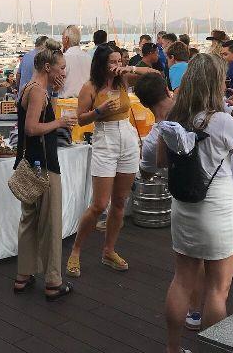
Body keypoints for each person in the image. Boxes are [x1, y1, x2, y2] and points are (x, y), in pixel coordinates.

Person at [158, 54, 233, 353]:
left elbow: (161, 161)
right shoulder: (222, 121)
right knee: (218, 290)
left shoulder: (174, 116)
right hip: (216, 210)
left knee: (182, 280)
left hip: (184, 208)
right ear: (216, 83)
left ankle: (173, 351)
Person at [66, 44, 160, 278]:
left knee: (120, 201)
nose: (117, 65)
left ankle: (109, 250)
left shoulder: (123, 80)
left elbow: (155, 75)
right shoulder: (90, 87)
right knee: (99, 204)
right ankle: (75, 250)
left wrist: (128, 68)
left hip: (127, 137)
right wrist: (100, 110)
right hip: (104, 138)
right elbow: (80, 120)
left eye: (120, 60)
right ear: (100, 63)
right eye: (113, 62)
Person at [13, 41, 77, 301]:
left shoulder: (31, 88)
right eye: (61, 68)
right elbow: (31, 128)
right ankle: (53, 281)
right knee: (50, 223)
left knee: (28, 220)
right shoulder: (39, 91)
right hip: (44, 165)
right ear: (48, 67)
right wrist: (60, 121)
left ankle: (23, 275)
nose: (64, 72)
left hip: (28, 161)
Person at [60, 25, 91, 98]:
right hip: (84, 101)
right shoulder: (88, 57)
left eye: (62, 38)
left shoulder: (64, 57)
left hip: (66, 102)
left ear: (66, 39)